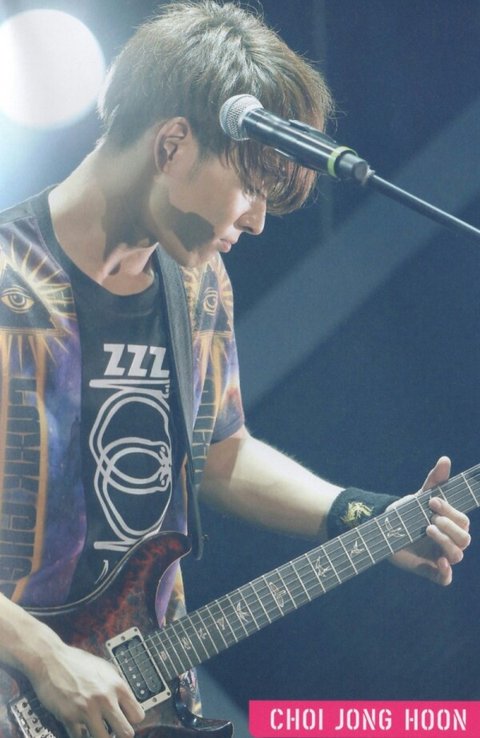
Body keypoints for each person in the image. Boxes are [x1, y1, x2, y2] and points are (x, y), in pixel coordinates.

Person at [0, 2, 471, 737]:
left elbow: (220, 454)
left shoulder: (197, 285)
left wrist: (358, 514)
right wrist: (42, 654)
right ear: (172, 145)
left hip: (151, 705)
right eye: (250, 188)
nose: (255, 220)